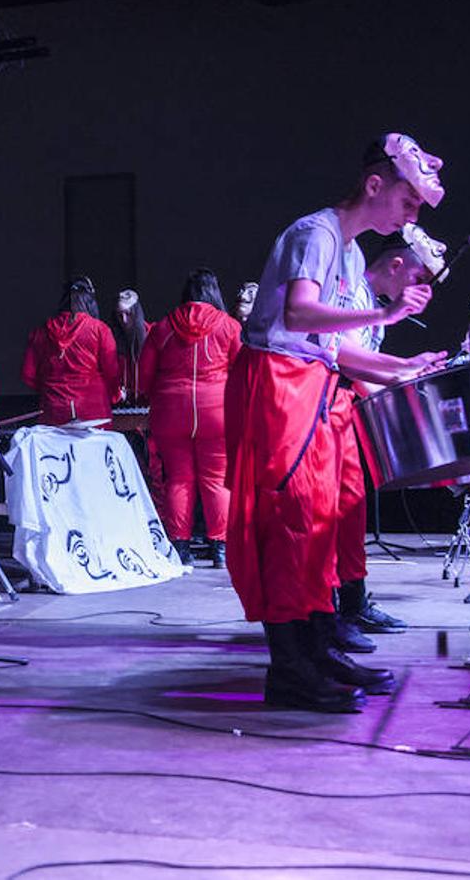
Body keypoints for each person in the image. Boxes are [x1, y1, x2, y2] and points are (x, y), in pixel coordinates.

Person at [225, 132, 445, 714]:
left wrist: (403, 365)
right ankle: (290, 667)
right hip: (278, 383)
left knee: (320, 524)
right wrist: (386, 312)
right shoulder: (315, 233)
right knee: (288, 520)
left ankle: (318, 648)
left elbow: (334, 347)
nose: (411, 213)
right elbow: (298, 314)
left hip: (311, 385)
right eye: (408, 200)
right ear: (375, 185)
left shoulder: (347, 250)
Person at [331, 223, 448, 651]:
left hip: (345, 411)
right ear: (397, 265)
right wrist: (407, 370)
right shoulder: (355, 295)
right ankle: (329, 613)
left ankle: (352, 602)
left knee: (352, 508)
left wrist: (409, 380)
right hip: (326, 406)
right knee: (332, 513)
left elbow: (367, 372)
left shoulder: (370, 299)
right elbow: (348, 360)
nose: (419, 292)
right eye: (418, 279)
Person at [138, 269, 242, 567]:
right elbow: (241, 372)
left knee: (179, 480)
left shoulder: (162, 328)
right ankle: (219, 548)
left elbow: (145, 378)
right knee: (216, 479)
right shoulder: (230, 326)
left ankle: (180, 548)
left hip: (172, 411)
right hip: (217, 410)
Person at [20, 275, 117, 426]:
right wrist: (116, 395)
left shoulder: (41, 332)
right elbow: (112, 373)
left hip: (53, 410)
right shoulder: (100, 330)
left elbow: (28, 375)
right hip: (93, 411)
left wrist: (52, 389)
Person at [109, 288, 151, 404]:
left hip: (147, 404)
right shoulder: (111, 338)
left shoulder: (151, 335)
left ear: (136, 313)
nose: (124, 320)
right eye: (119, 315)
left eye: (128, 314)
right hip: (122, 404)